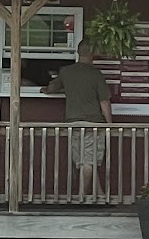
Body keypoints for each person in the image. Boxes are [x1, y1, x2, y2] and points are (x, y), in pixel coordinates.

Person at [48, 43, 115, 194]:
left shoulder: (66, 72)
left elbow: (52, 88)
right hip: (94, 123)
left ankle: (100, 195)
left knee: (84, 161)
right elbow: (104, 101)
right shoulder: (95, 74)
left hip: (73, 123)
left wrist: (43, 89)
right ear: (92, 54)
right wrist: (109, 123)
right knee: (89, 161)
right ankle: (81, 196)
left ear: (78, 52)